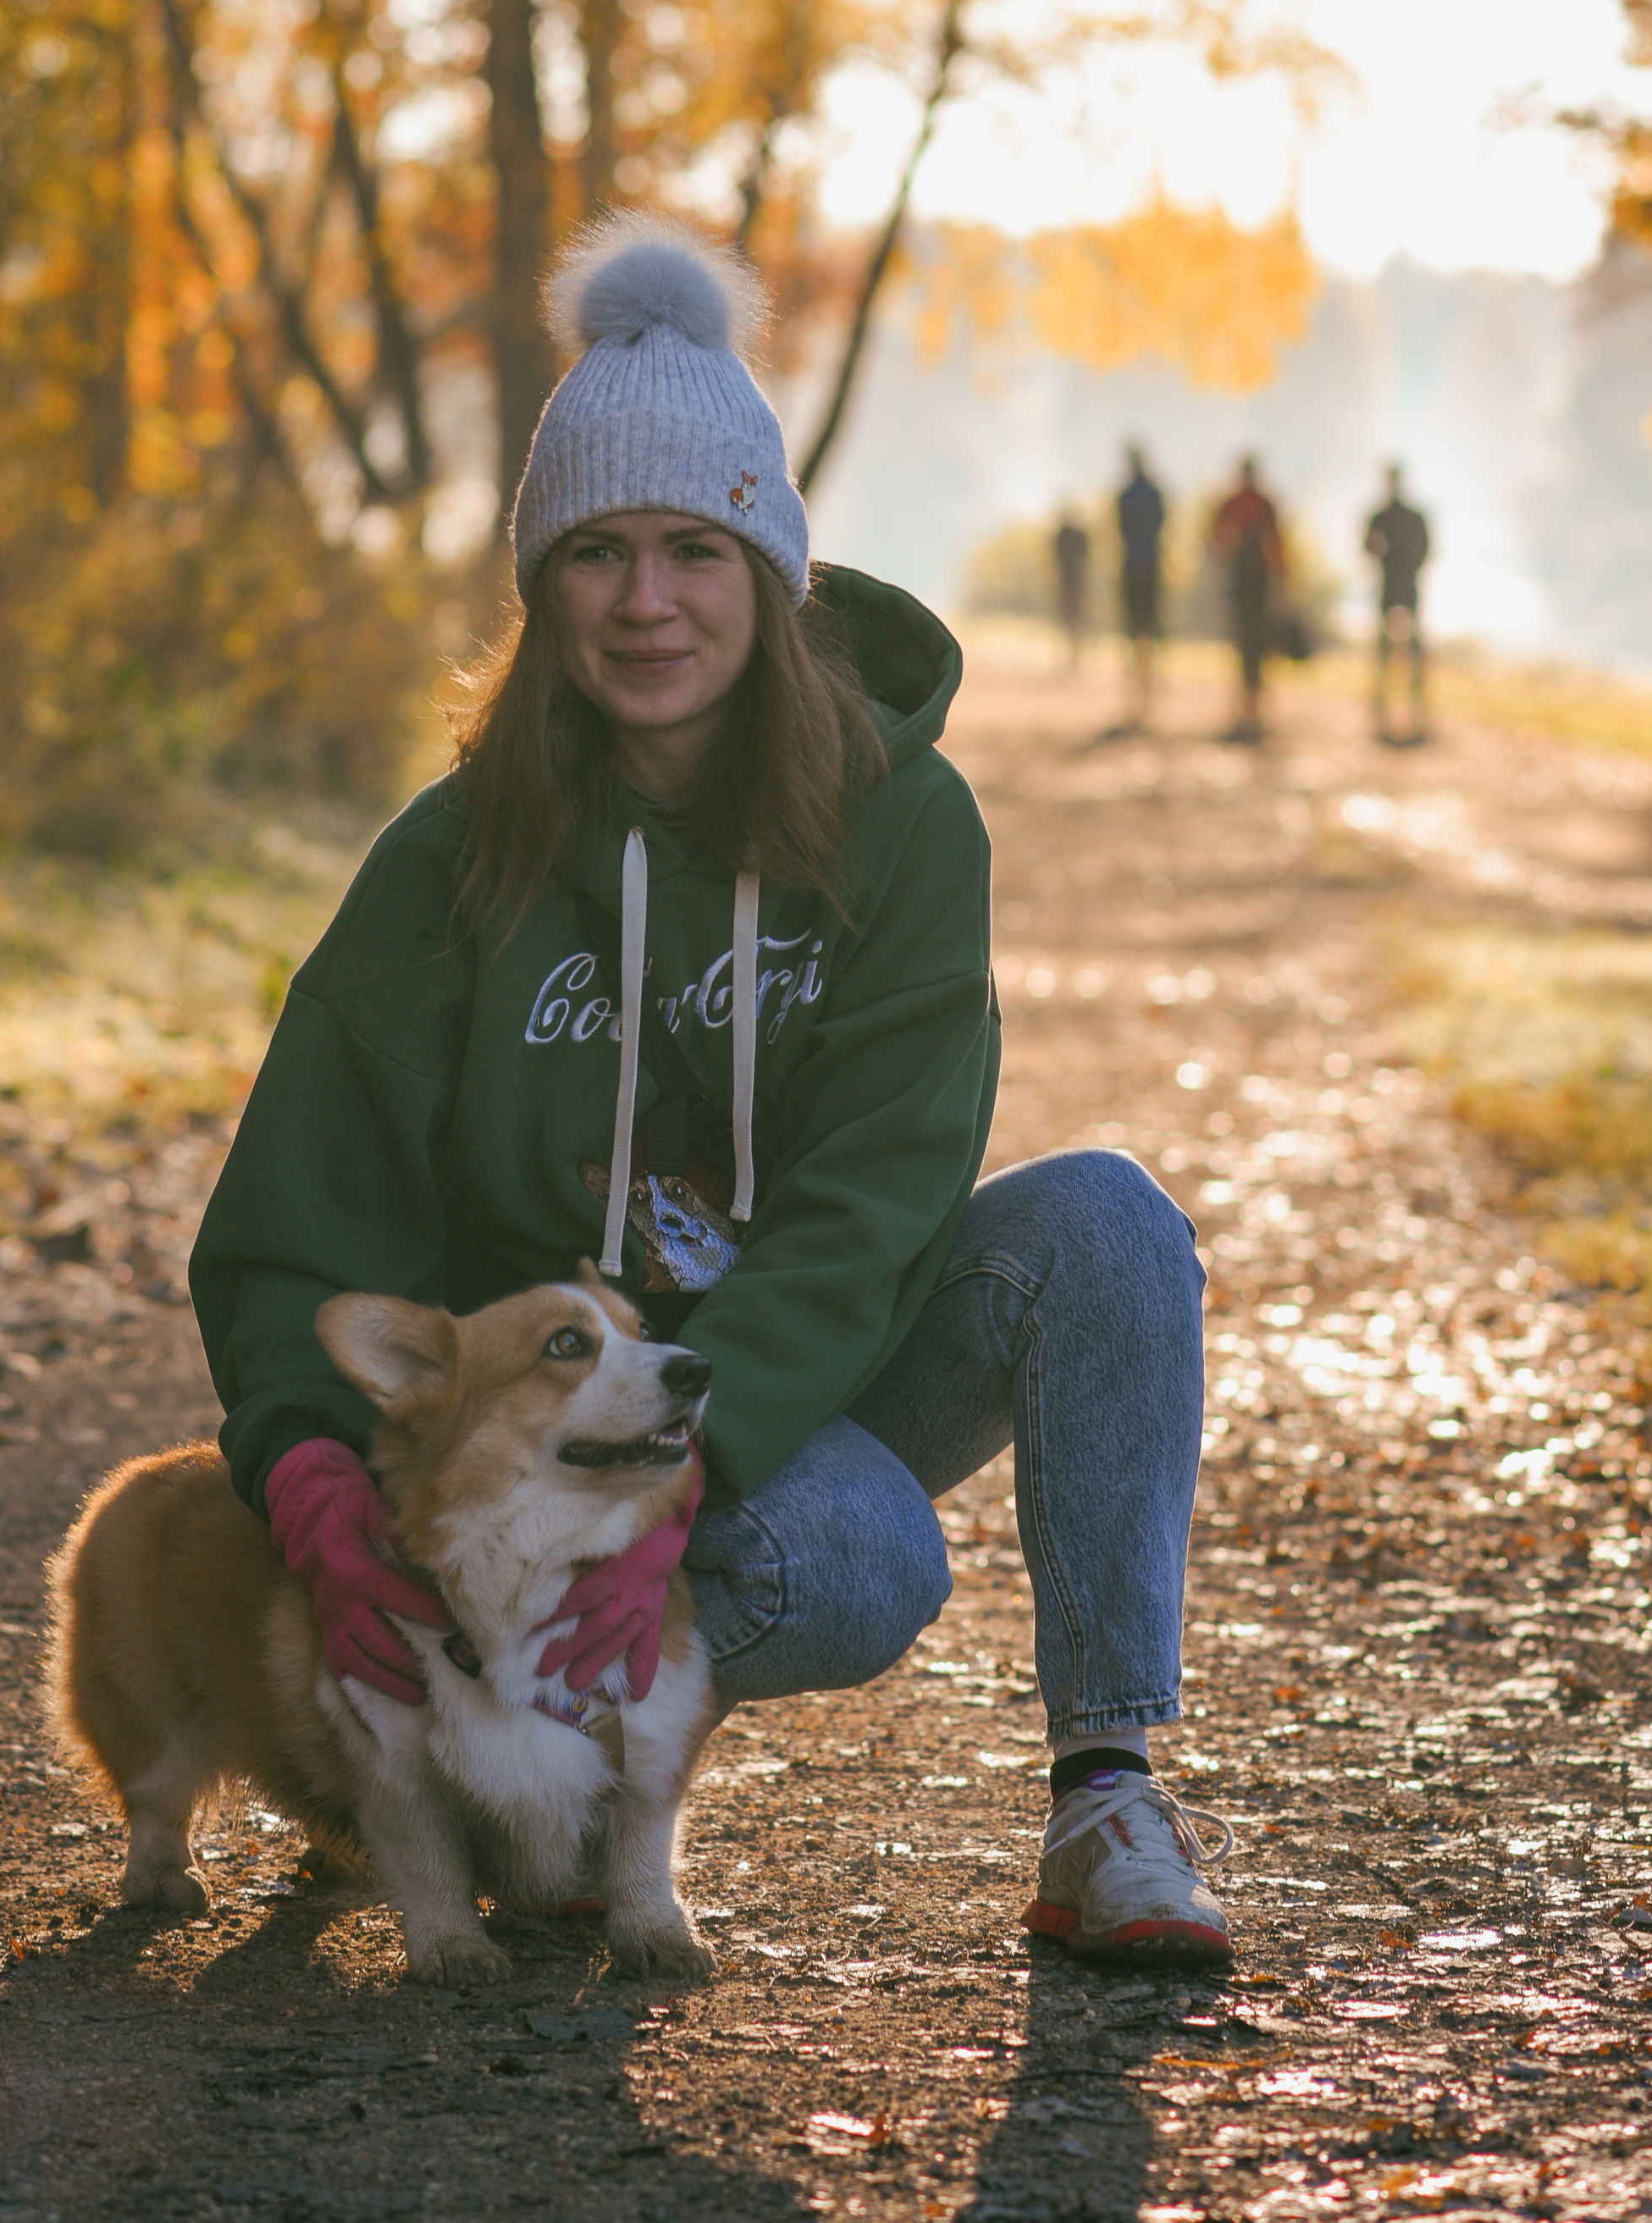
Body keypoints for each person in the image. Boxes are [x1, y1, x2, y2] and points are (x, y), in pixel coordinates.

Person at [189, 217, 1231, 1965]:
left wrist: (678, 1484)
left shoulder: (903, 824)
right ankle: (523, 1756)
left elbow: (873, 1204)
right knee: (850, 1553)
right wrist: (305, 1474)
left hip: (763, 1401)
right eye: (595, 553)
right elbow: (297, 1217)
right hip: (535, 1450)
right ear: (543, 591)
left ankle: (1105, 1799)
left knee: (1096, 1240)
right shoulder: (450, 860)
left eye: (693, 547)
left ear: (769, 568)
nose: (646, 600)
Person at [1207, 456, 1286, 742]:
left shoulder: (1237, 503)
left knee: (1248, 644)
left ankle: (1250, 707)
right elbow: (1276, 546)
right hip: (1251, 583)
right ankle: (1252, 707)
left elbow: (1215, 543)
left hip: (1247, 583)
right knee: (1253, 645)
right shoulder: (1260, 503)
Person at [1364, 463, 1433, 745]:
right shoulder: (1405, 516)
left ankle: (1412, 704)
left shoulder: (1384, 516)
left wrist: (1393, 560)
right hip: (1399, 582)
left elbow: (1368, 548)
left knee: (1403, 646)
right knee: (1397, 646)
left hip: (1399, 582)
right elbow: (1426, 549)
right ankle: (1391, 706)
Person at [1113, 445, 1167, 730]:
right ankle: (1149, 688)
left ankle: (1137, 691)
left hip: (1133, 567)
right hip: (1151, 566)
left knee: (1133, 630)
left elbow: (1120, 529)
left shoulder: (1125, 495)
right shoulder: (1154, 493)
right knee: (1152, 627)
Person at [1050, 510, 1091, 665]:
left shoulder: (1062, 534)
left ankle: (1074, 652)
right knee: (1073, 616)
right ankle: (1072, 652)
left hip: (1069, 581)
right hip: (1073, 581)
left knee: (1071, 616)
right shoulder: (1078, 534)